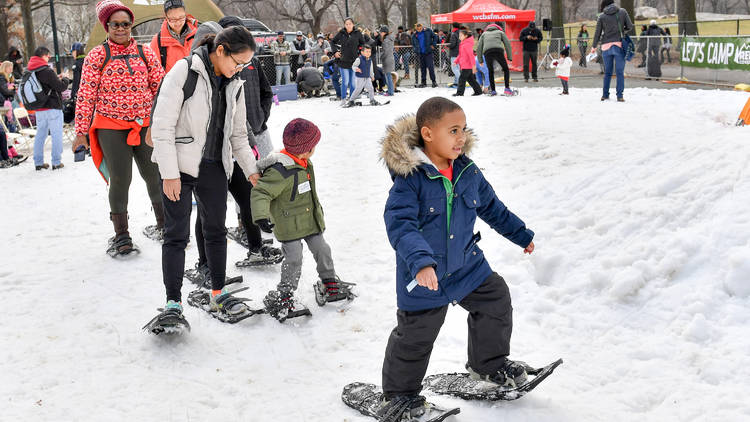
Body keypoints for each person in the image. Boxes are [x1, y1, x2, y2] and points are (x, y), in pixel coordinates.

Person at [376, 97, 535, 419]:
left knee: (495, 299)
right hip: (424, 274)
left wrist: (521, 234)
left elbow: (492, 207)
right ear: (428, 134)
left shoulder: (467, 171)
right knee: (415, 337)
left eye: (463, 129)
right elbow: (401, 225)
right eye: (453, 130)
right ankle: (400, 395)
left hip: (466, 264)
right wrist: (420, 262)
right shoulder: (411, 180)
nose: (461, 137)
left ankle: (488, 365)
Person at [150, 25, 261, 321]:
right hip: (180, 166)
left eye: (245, 65)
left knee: (216, 230)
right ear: (220, 51)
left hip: (214, 164)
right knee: (176, 235)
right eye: (238, 62)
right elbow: (161, 126)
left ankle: (217, 292)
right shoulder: (184, 71)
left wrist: (251, 171)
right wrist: (169, 174)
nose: (240, 69)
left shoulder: (234, 83)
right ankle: (173, 303)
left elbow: (238, 136)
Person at [72, 0, 166, 255]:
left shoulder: (146, 53)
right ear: (107, 26)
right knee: (121, 179)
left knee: (154, 175)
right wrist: (81, 131)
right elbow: (86, 95)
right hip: (111, 127)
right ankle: (122, 235)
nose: (122, 28)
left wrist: (165, 120)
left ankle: (164, 224)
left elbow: (161, 88)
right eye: (116, 24)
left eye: (126, 24)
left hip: (145, 126)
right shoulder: (97, 56)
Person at [193, 16, 282, 272]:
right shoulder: (194, 75)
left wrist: (253, 145)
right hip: (208, 159)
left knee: (249, 199)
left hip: (234, 154)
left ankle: (255, 246)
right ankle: (205, 263)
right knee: (209, 214)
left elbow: (239, 125)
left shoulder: (235, 74)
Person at [252, 118, 347, 321]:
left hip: (310, 221)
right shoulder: (279, 171)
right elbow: (261, 192)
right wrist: (261, 216)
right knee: (294, 258)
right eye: (313, 147)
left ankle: (328, 279)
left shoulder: (303, 162)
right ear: (305, 149)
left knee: (322, 249)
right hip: (289, 225)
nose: (314, 150)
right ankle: (285, 293)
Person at [23, 47, 70, 171]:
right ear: (43, 55)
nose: (48, 58)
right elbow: (60, 87)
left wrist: (56, 77)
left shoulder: (30, 70)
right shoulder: (47, 71)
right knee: (56, 134)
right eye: (48, 56)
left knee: (40, 135)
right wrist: (65, 78)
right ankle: (56, 162)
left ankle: (38, 162)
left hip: (39, 109)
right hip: (53, 107)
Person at [591, 0, 633, 102]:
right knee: (619, 72)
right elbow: (630, 26)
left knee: (608, 72)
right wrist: (622, 30)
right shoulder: (622, 12)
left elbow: (597, 33)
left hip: (605, 46)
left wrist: (594, 46)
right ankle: (620, 96)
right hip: (618, 45)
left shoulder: (601, 16)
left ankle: (605, 95)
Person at [149, 0, 198, 73]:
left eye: (181, 18)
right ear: (166, 17)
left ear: (185, 14)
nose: (178, 23)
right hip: (172, 83)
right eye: (173, 19)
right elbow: (154, 71)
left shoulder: (197, 34)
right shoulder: (158, 41)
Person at [331, 17, 365, 103]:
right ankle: (343, 99)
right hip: (343, 61)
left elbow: (363, 44)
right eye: (346, 24)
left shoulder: (357, 33)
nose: (348, 25)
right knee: (345, 82)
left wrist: (360, 52)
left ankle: (351, 99)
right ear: (344, 25)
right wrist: (335, 52)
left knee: (353, 82)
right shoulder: (341, 33)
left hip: (354, 61)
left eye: (350, 24)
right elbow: (332, 42)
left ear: (353, 24)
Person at [475, 22, 512, 96]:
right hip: (498, 50)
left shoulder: (484, 34)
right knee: (505, 69)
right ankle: (507, 89)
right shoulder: (500, 32)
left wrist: (480, 60)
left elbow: (479, 47)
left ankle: (493, 90)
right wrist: (509, 57)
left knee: (490, 71)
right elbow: (507, 44)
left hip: (487, 52)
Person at [452, 30, 482, 97]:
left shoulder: (467, 44)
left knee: (461, 79)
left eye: (461, 36)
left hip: (467, 66)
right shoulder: (462, 44)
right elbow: (460, 54)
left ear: (465, 36)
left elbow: (471, 56)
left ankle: (460, 93)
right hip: (464, 65)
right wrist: (456, 61)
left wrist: (473, 66)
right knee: (471, 80)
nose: (459, 37)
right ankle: (478, 91)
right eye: (459, 36)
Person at [411, 23, 438, 88]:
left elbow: (435, 36)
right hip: (420, 54)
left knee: (430, 67)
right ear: (416, 29)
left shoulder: (428, 31)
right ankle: (423, 82)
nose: (419, 30)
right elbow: (413, 44)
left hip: (428, 52)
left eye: (420, 28)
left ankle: (434, 81)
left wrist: (433, 45)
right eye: (418, 29)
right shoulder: (414, 35)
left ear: (422, 27)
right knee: (423, 69)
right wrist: (416, 49)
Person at [377, 26, 395, 96]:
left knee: (388, 77)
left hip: (387, 59)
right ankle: (390, 91)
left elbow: (386, 51)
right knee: (388, 76)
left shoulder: (386, 40)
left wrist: (381, 57)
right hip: (390, 58)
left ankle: (390, 92)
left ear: (384, 32)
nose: (380, 34)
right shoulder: (389, 39)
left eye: (381, 32)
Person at [447, 22, 461, 88]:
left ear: (453, 27)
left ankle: (460, 82)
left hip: (454, 53)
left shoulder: (454, 34)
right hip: (460, 53)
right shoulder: (461, 33)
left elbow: (453, 44)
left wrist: (448, 45)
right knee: (457, 68)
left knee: (454, 68)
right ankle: (456, 82)